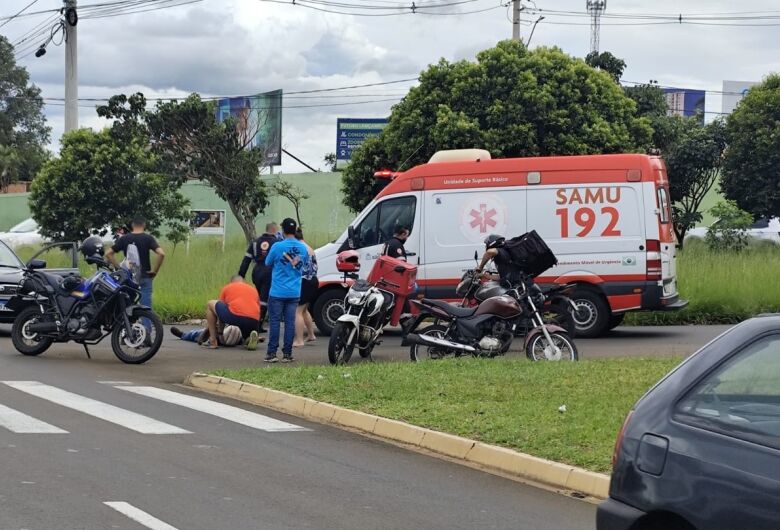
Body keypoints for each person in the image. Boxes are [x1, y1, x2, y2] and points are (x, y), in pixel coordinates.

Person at [264, 218, 308, 363]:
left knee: (275, 322)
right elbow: (304, 264)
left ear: (283, 230)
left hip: (277, 291)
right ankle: (287, 354)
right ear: (295, 230)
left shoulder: (277, 246)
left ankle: (272, 353)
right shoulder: (302, 248)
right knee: (290, 322)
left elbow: (267, 262)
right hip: (294, 291)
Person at [106, 216, 165, 310]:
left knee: (126, 304)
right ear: (144, 225)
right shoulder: (148, 238)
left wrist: (119, 268)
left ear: (132, 225)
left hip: (129, 278)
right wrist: (154, 271)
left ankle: (126, 324)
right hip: (145, 276)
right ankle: (146, 324)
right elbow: (161, 254)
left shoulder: (124, 239)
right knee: (146, 307)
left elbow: (108, 253)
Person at [237, 222, 279, 332]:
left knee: (258, 297)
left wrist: (241, 275)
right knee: (264, 299)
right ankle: (258, 325)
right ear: (274, 230)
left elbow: (246, 260)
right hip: (269, 271)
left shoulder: (255, 242)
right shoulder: (277, 242)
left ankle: (255, 320)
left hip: (256, 272)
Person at [200, 275, 261, 350]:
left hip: (235, 316)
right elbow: (258, 309)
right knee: (247, 328)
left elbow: (219, 313)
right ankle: (248, 338)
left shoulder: (228, 287)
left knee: (210, 304)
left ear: (231, 282)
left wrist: (220, 333)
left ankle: (213, 340)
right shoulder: (253, 290)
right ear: (243, 282)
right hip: (254, 321)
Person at [293, 228, 318, 347]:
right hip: (314, 280)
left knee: (297, 311)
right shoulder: (310, 248)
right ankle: (311, 334)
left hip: (305, 281)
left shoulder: (300, 249)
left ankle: (299, 339)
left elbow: (295, 264)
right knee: (304, 310)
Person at [170, 324, 246, 347]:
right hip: (236, 336)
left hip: (220, 335)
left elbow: (200, 340)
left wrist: (207, 331)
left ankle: (183, 335)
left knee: (197, 334)